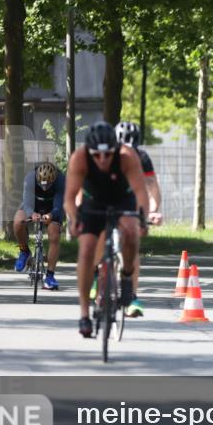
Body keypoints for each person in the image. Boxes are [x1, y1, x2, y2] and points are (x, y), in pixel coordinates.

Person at [64, 122, 149, 339]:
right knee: (86, 251)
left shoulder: (127, 156)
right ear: (89, 152)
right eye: (97, 155)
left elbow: (141, 193)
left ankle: (127, 279)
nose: (102, 160)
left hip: (122, 200)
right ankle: (84, 314)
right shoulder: (79, 158)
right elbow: (69, 199)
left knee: (131, 231)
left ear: (116, 148)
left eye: (108, 155)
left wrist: (143, 220)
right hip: (93, 203)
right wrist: (73, 219)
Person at [115, 121, 163, 317]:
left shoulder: (143, 158)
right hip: (108, 199)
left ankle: (131, 295)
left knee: (132, 247)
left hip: (131, 204)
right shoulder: (107, 155)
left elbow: (152, 187)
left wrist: (153, 210)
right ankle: (97, 275)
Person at [12, 161, 65, 289]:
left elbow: (59, 206)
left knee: (54, 235)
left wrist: (51, 215)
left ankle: (50, 276)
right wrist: (32, 214)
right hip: (33, 204)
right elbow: (27, 203)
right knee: (18, 222)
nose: (44, 188)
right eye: (42, 184)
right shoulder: (30, 178)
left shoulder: (61, 180)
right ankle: (24, 251)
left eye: (48, 185)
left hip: (52, 208)